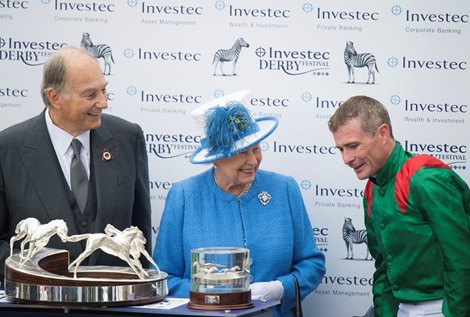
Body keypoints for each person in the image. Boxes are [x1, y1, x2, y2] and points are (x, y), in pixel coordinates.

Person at [153, 90, 326, 317]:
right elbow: (162, 278)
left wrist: (279, 289)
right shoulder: (184, 196)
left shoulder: (284, 189)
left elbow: (311, 264)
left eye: (256, 148)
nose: (253, 160)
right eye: (242, 152)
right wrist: (217, 294)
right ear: (215, 157)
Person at [0, 46, 152, 284]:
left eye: (104, 90)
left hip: (116, 306)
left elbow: (139, 233)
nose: (103, 103)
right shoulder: (7, 149)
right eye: (91, 95)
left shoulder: (127, 138)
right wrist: (37, 275)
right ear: (55, 97)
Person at [328, 95, 470, 317]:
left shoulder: (425, 180)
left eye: (353, 146)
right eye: (340, 149)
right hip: (401, 308)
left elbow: (462, 260)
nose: (346, 159)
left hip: (443, 308)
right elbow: (384, 268)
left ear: (383, 134)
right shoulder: (372, 190)